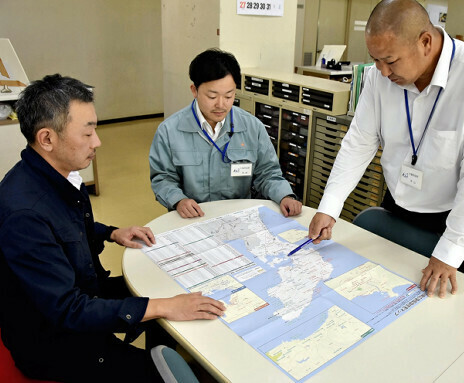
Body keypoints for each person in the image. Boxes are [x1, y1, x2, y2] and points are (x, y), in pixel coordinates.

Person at [0, 74, 225, 383]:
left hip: (85, 291)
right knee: (163, 356)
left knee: (166, 290)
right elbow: (68, 310)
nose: (98, 142)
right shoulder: (24, 213)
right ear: (47, 139)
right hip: (59, 342)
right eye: (88, 132)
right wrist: (163, 307)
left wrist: (109, 232)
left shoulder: (58, 175)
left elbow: (66, 227)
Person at [308, 0, 464, 298]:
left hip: (453, 214)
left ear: (425, 42)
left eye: (390, 61)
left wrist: (448, 253)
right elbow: (359, 142)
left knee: (436, 301)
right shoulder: (379, 76)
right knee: (381, 289)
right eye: (375, 60)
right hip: (398, 200)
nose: (382, 72)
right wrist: (330, 206)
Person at [149, 48, 302, 219]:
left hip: (238, 219)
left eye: (229, 96)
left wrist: (285, 195)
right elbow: (162, 178)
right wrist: (178, 200)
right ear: (194, 90)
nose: (221, 105)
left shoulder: (252, 127)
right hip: (192, 219)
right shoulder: (169, 131)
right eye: (212, 96)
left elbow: (267, 173)